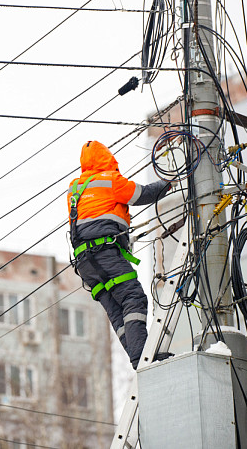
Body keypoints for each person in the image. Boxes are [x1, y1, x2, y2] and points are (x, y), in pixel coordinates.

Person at [67, 140, 172, 370]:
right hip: (105, 254)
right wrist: (169, 183)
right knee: (133, 298)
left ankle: (138, 356)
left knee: (117, 309)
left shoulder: (75, 188)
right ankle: (142, 358)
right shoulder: (110, 180)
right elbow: (141, 195)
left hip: (85, 265)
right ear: (108, 158)